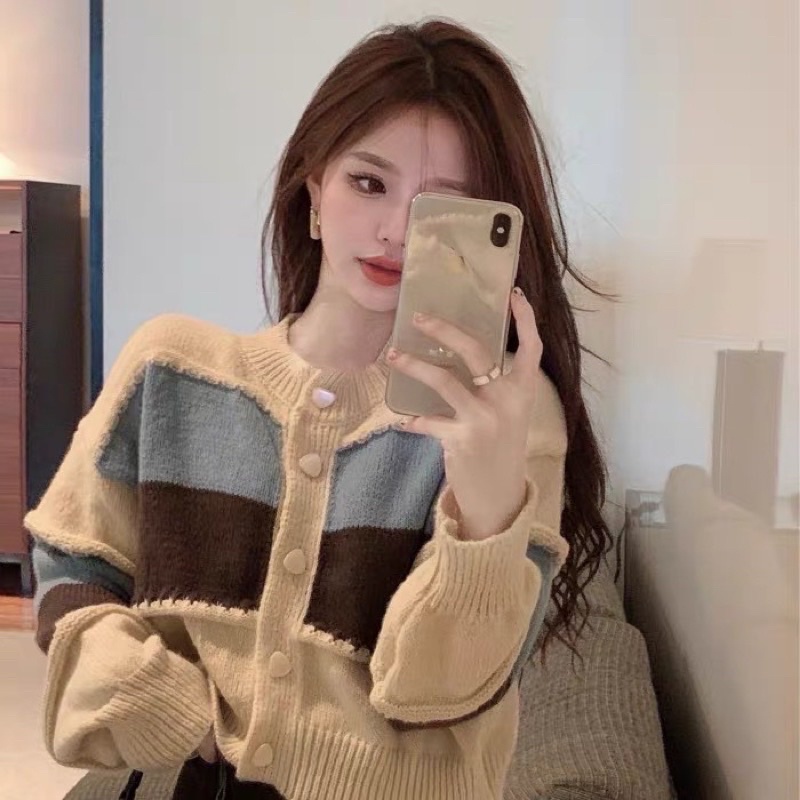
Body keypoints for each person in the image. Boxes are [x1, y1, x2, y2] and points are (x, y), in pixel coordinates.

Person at [26, 17, 612, 800]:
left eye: (443, 210)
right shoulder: (172, 367)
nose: (396, 231)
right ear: (313, 191)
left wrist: (486, 513)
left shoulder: (511, 416)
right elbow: (74, 569)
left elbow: (445, 692)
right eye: (368, 183)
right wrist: (166, 706)